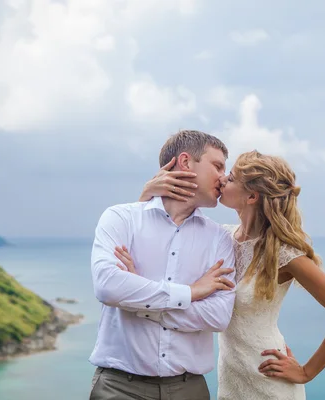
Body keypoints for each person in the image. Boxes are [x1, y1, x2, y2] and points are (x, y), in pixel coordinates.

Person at [117, 149, 325, 399]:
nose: (223, 179)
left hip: (270, 379)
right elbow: (167, 253)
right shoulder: (220, 237)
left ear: (251, 197)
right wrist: (147, 195)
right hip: (231, 380)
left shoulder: (284, 254)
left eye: (232, 178)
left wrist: (306, 372)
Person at [88, 130, 239, 400]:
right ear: (185, 162)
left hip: (189, 389)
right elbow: (109, 287)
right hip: (118, 387)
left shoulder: (221, 239)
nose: (224, 177)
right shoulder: (121, 218)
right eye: (217, 166)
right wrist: (191, 293)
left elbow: (218, 316)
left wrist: (138, 301)